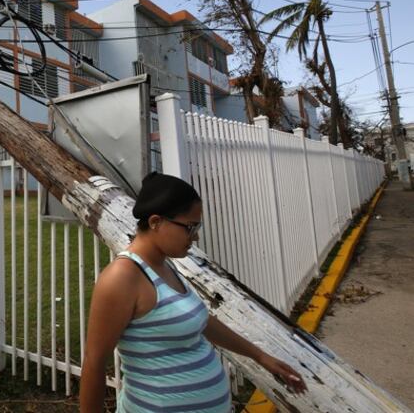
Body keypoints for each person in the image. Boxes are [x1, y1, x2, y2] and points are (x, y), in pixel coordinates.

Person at [79, 172, 306, 412]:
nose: (195, 236)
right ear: (156, 222)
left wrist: (260, 357)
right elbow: (94, 362)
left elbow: (201, 322)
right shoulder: (122, 277)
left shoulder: (165, 267)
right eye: (190, 227)